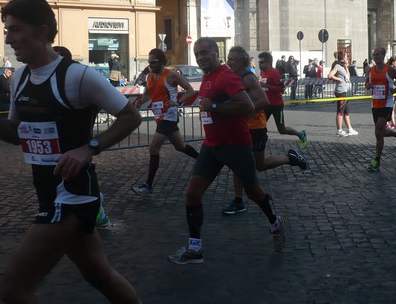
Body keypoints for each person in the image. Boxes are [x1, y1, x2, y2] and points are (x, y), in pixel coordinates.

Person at [0, 0, 142, 303]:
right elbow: (17, 135)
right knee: (99, 274)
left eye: (15, 30)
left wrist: (89, 148)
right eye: (7, 30)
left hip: (71, 195)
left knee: (14, 290)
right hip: (48, 191)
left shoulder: (77, 75)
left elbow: (131, 116)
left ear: (42, 32)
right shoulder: (20, 77)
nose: (8, 39)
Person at [167, 38, 286, 265]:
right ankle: (195, 249)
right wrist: (183, 103)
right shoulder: (208, 77)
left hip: (235, 146)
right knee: (192, 194)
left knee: (254, 193)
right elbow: (204, 102)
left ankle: (275, 221)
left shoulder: (226, 75)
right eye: (197, 53)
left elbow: (248, 106)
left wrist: (214, 106)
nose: (201, 57)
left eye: (205, 52)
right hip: (211, 146)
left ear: (215, 52)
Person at [222, 46, 307, 215]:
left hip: (257, 126)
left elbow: (265, 100)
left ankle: (290, 159)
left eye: (232, 59)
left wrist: (246, 110)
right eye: (228, 58)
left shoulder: (250, 78)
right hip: (244, 127)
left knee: (260, 164)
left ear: (241, 61)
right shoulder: (235, 76)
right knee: (237, 163)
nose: (229, 61)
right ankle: (238, 201)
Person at [54, 45, 110, 228]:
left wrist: (91, 144)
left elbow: (128, 114)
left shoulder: (77, 77)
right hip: (68, 143)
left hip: (79, 142)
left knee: (78, 176)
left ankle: (95, 207)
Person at [131, 48, 199, 195]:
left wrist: (179, 102)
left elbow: (190, 90)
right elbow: (148, 95)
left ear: (161, 62)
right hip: (159, 115)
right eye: (149, 62)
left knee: (153, 148)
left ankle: (148, 185)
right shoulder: (149, 76)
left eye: (153, 62)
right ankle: (203, 161)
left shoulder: (172, 75)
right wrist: (139, 102)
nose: (150, 65)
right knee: (180, 146)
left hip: (169, 115)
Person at [365, 47, 396, 172]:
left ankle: (377, 160)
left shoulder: (390, 70)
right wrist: (369, 85)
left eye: (378, 54)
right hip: (375, 104)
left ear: (383, 56)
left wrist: (395, 90)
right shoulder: (370, 70)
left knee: (378, 132)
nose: (375, 57)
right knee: (380, 132)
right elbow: (367, 84)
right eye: (374, 54)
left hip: (386, 104)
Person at [259, 51, 307, 149]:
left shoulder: (274, 73)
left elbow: (282, 90)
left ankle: (300, 135)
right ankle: (260, 143)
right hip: (266, 104)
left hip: (277, 105)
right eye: (259, 62)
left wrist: (265, 85)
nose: (259, 64)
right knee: (260, 125)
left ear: (268, 63)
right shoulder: (263, 72)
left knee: (282, 129)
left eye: (262, 62)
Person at [328, 51, 357, 137]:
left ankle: (349, 129)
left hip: (346, 91)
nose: (347, 57)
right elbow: (330, 75)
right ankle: (339, 130)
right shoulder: (337, 66)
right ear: (343, 57)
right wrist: (338, 79)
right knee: (340, 111)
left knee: (346, 111)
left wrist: (347, 67)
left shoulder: (342, 66)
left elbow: (347, 76)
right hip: (341, 91)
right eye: (346, 56)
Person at [386, 56, 396, 130]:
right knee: (387, 108)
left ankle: (393, 123)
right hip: (388, 91)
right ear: (393, 62)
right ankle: (387, 123)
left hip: (394, 90)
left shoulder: (394, 70)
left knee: (392, 108)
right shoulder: (388, 69)